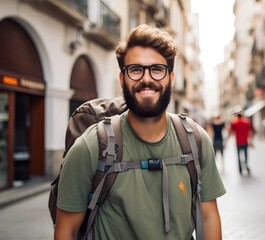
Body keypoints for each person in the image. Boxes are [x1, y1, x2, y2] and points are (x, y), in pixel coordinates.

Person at [55, 24, 226, 240]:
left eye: (157, 69)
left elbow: (209, 217)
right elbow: (65, 231)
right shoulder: (91, 147)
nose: (146, 78)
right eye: (135, 69)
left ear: (171, 78)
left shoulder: (196, 141)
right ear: (122, 79)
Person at [228, 111, 254, 176]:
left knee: (238, 156)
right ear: (242, 116)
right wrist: (251, 140)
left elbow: (231, 131)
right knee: (246, 155)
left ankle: (240, 170)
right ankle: (246, 165)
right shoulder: (246, 122)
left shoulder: (234, 122)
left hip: (238, 142)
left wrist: (227, 140)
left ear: (237, 116)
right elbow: (250, 131)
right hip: (245, 142)